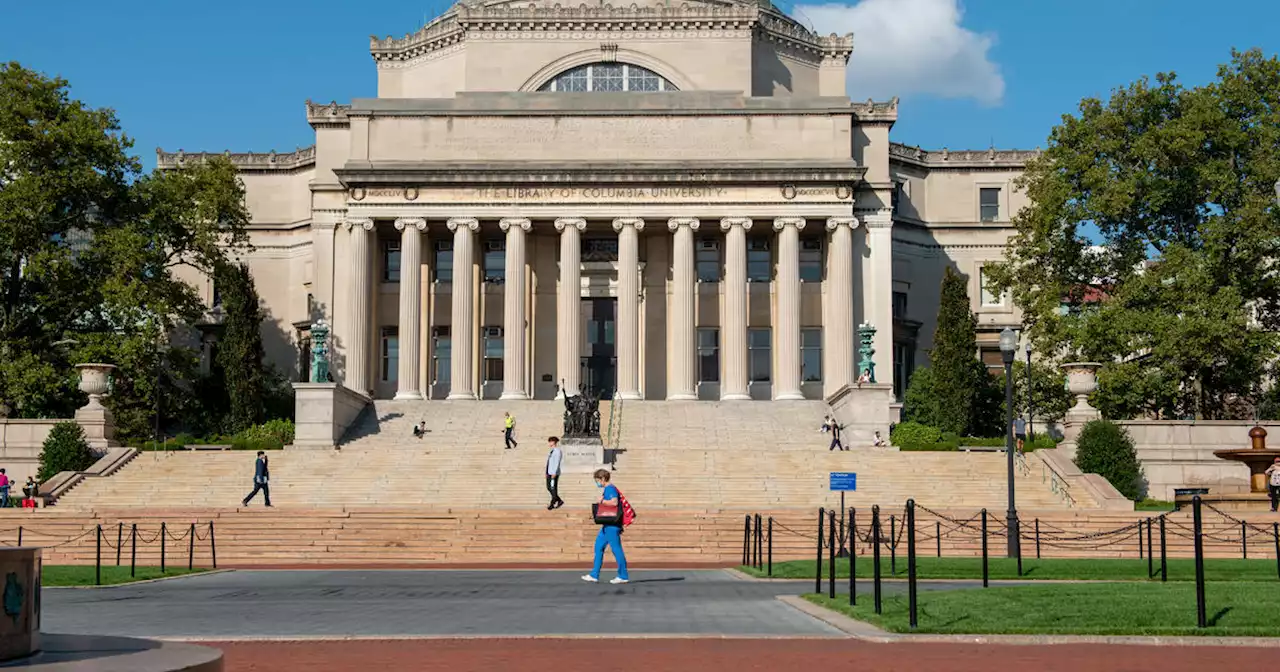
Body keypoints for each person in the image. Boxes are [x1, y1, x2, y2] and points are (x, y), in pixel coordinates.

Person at [583, 469, 629, 584]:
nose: (597, 483)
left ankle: (623, 575)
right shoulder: (608, 489)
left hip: (612, 525)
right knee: (598, 546)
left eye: (597, 480)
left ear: (603, 479)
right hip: (607, 525)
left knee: (616, 549)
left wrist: (602, 501)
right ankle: (594, 574)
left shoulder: (610, 488)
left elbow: (614, 503)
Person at [545, 436, 564, 510]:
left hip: (554, 473)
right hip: (549, 472)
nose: (549, 443)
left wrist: (554, 473)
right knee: (549, 487)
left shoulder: (557, 451)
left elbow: (556, 463)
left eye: (550, 441)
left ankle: (552, 504)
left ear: (553, 442)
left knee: (553, 488)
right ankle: (559, 500)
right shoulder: (552, 451)